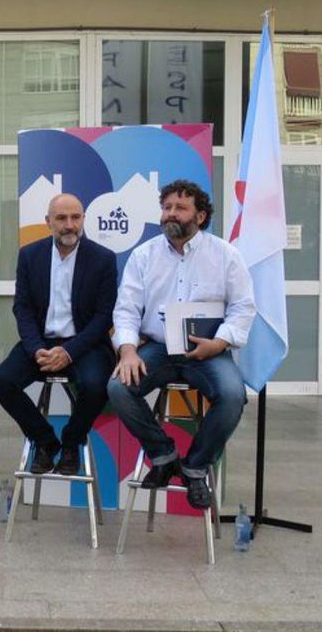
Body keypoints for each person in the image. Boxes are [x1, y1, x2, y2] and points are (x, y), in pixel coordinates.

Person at [106, 180, 255, 509]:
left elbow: (243, 308)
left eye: (180, 208)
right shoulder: (143, 256)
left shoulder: (226, 255)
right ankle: (163, 455)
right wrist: (127, 350)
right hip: (158, 349)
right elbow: (126, 309)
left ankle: (195, 466)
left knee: (233, 395)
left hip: (207, 351)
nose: (170, 214)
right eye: (166, 207)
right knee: (118, 387)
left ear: (200, 216)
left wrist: (218, 343)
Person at [0, 193, 117, 476]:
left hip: (85, 344)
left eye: (75, 217)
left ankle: (72, 442)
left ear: (83, 219)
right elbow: (21, 308)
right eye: (61, 218)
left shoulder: (103, 259)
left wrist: (69, 351)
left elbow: (104, 316)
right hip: (41, 343)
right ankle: (45, 441)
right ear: (48, 222)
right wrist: (36, 349)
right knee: (2, 381)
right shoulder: (29, 255)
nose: (69, 225)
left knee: (97, 385)